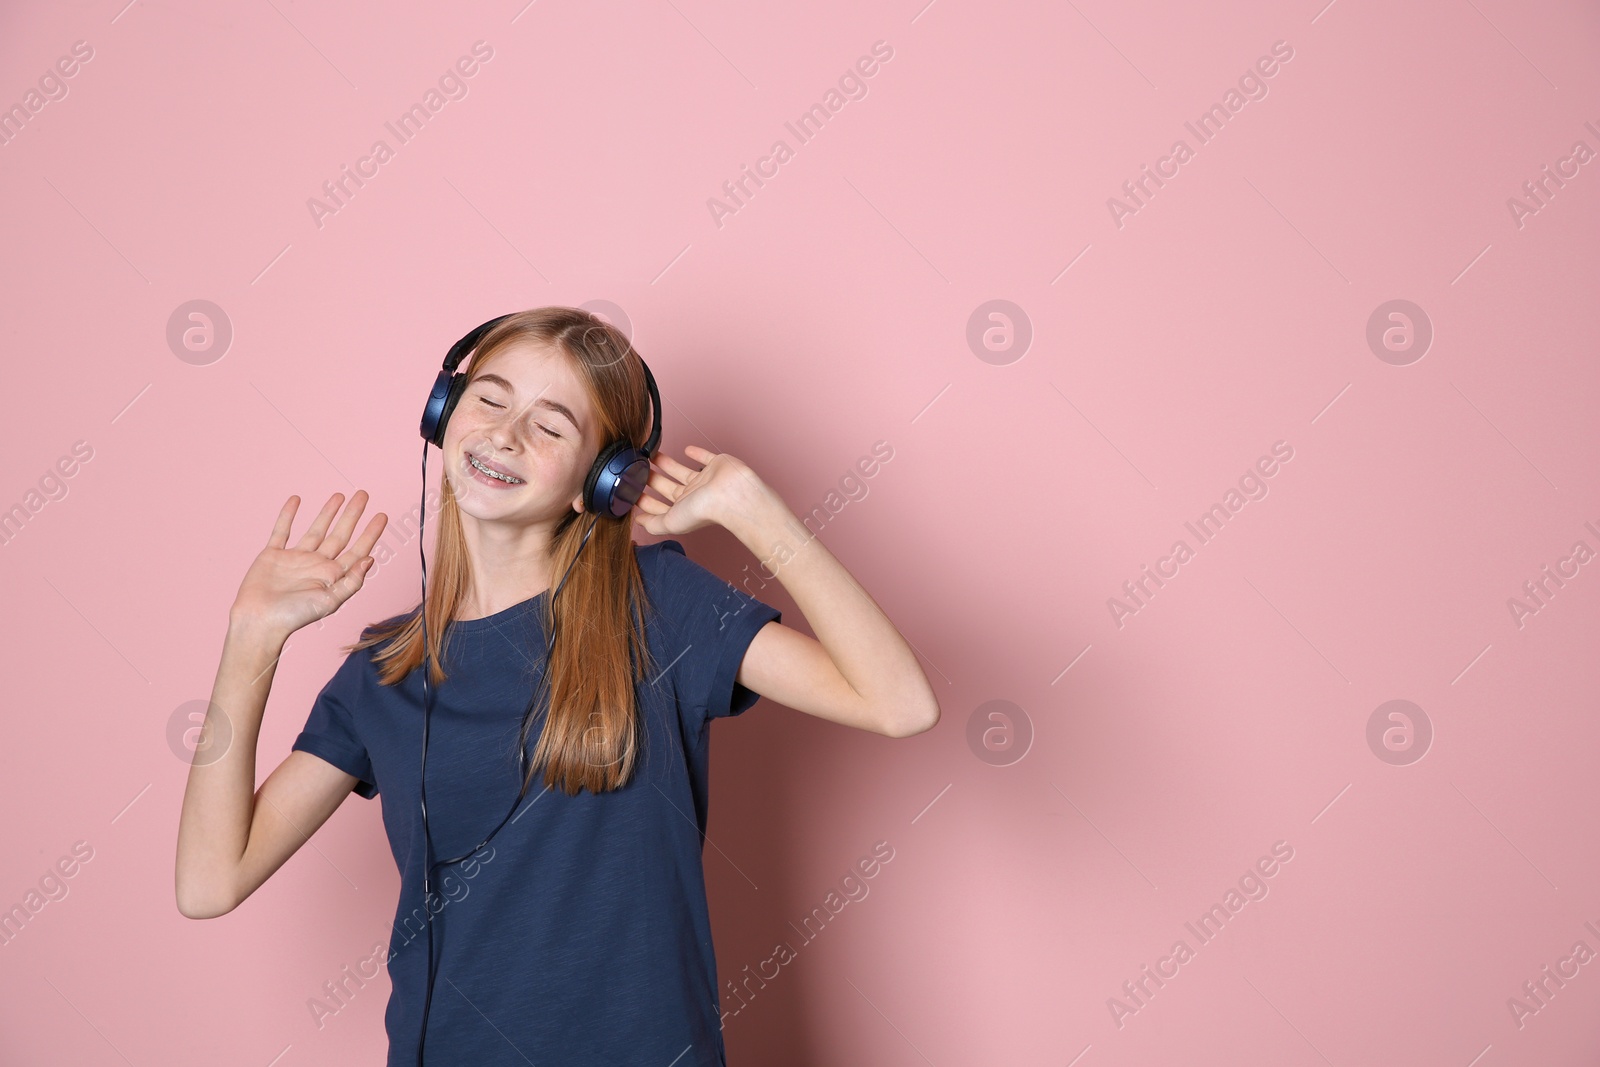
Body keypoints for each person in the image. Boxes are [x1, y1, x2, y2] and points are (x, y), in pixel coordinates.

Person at [173, 307, 941, 1065]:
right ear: (443, 415)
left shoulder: (659, 605)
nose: (505, 433)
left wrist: (754, 511)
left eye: (551, 426)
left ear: (602, 482)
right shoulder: (383, 672)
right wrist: (251, 637)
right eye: (490, 398)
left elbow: (898, 704)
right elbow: (210, 881)